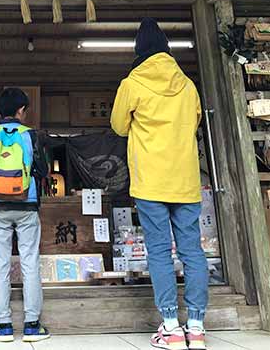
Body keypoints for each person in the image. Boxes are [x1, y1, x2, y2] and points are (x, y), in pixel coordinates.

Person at [111, 18, 208, 350]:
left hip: (151, 182)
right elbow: (194, 121)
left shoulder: (132, 83)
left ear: (139, 51)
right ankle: (195, 328)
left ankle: (170, 327)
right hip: (185, 181)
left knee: (159, 253)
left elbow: (119, 126)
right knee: (193, 252)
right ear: (167, 50)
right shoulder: (188, 86)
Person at [0, 87, 51, 343]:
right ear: (22, 110)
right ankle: (32, 325)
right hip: (27, 206)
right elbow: (43, 171)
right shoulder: (31, 135)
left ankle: (4, 326)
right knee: (30, 262)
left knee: (1, 264)